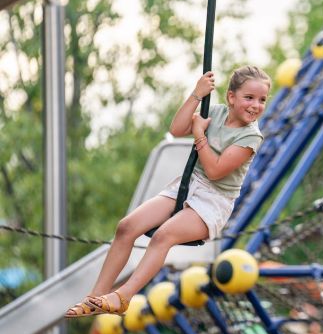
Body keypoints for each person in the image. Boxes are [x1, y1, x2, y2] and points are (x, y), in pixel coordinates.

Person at [65, 66, 271, 317]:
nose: (256, 106)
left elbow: (216, 171)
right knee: (127, 226)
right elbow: (176, 128)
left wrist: (199, 134)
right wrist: (196, 94)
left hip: (214, 200)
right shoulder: (214, 112)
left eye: (261, 100)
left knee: (163, 236)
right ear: (231, 97)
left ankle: (123, 297)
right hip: (189, 184)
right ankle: (95, 297)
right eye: (249, 98)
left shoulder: (251, 137)